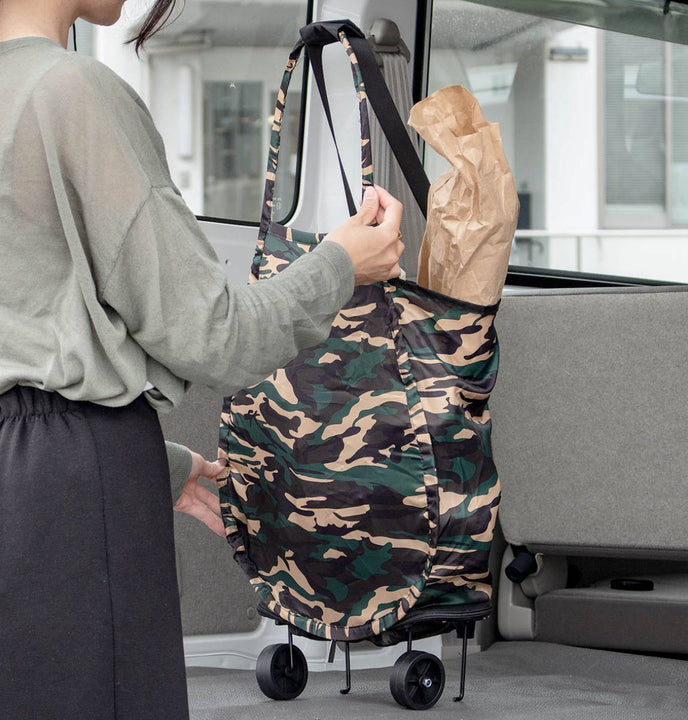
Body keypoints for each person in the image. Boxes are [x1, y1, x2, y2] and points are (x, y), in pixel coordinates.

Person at [0, 0, 404, 718]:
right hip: (71, 493)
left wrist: (159, 469)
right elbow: (216, 335)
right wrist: (342, 263)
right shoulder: (72, 92)